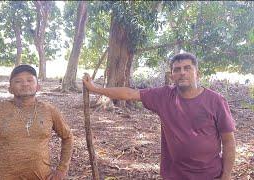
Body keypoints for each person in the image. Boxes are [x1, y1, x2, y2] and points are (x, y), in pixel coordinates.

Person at [82, 52, 236, 180]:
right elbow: (129, 93)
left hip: (209, 175)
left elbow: (228, 141)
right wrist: (95, 88)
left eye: (187, 68)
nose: (182, 72)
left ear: (197, 73)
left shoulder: (216, 101)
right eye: (177, 69)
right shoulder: (163, 96)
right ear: (172, 75)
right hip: (174, 175)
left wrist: (226, 176)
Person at [0, 64, 74, 180]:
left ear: (38, 87)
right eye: (18, 81)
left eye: (30, 80)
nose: (25, 84)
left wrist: (61, 170)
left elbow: (68, 137)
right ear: (10, 89)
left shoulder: (49, 110)